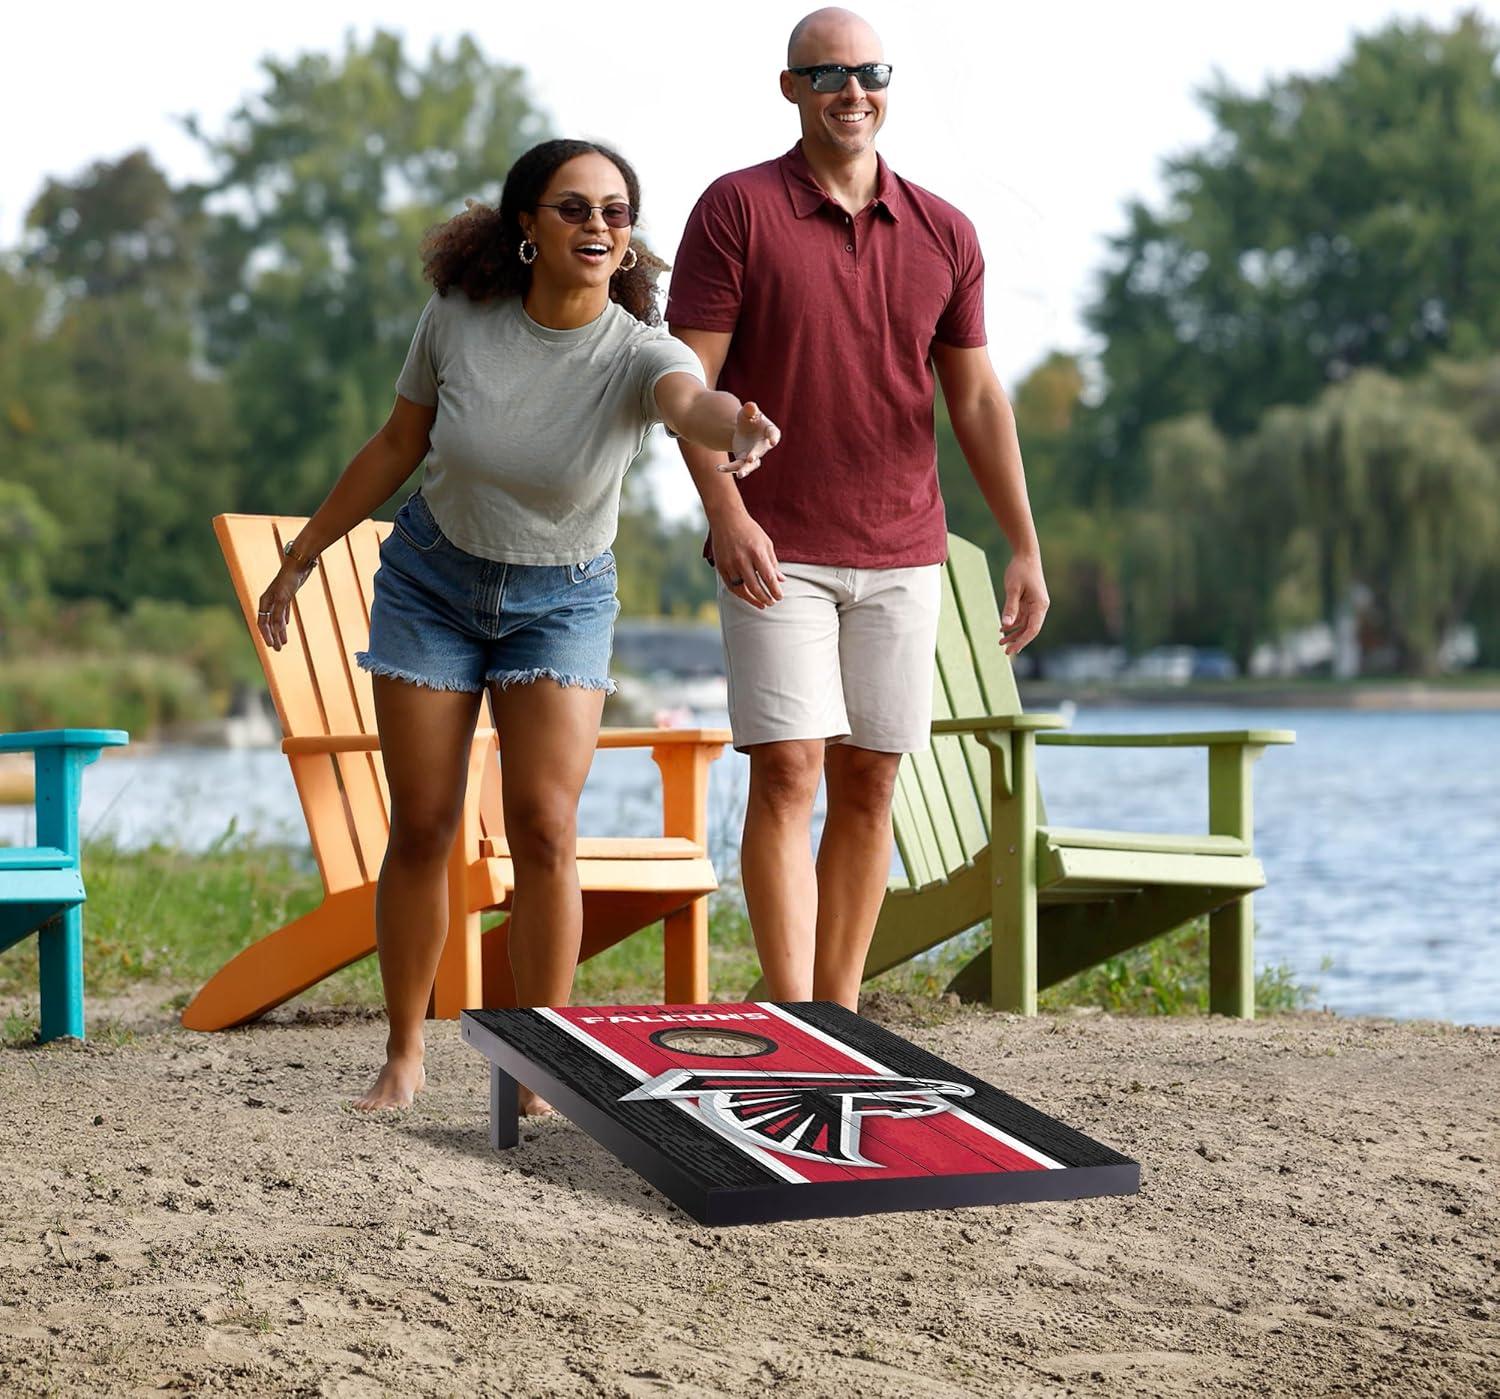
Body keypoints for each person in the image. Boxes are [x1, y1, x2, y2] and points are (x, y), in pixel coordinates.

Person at [256, 139, 780, 1112]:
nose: (597, 226)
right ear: (528, 228)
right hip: (432, 586)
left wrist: (734, 428)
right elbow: (397, 443)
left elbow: (689, 405)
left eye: (615, 213)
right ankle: (405, 1053)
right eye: (574, 208)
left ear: (628, 242)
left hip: (563, 601)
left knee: (545, 827)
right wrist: (307, 552)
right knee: (424, 823)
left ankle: (543, 1062)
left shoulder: (639, 350)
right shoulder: (459, 319)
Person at [667, 8, 1048, 1010]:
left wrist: (1022, 543)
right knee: (789, 770)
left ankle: (836, 1011)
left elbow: (974, 398)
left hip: (903, 548)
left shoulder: (945, 232)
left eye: (869, 71)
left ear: (889, 85)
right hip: (774, 547)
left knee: (871, 780)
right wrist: (727, 514)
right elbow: (682, 386)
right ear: (789, 87)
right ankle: (792, 1012)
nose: (852, 90)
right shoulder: (734, 210)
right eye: (828, 74)